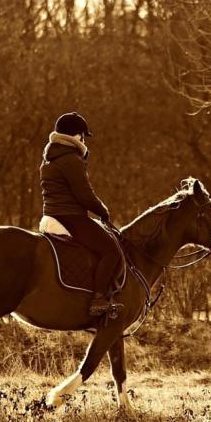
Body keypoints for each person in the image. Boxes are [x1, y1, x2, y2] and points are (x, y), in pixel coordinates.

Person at [40, 112, 121, 316]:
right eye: (83, 136)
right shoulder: (70, 159)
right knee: (111, 251)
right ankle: (99, 299)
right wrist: (103, 211)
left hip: (52, 214)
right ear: (76, 136)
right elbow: (84, 195)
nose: (84, 140)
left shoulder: (50, 157)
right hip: (71, 216)